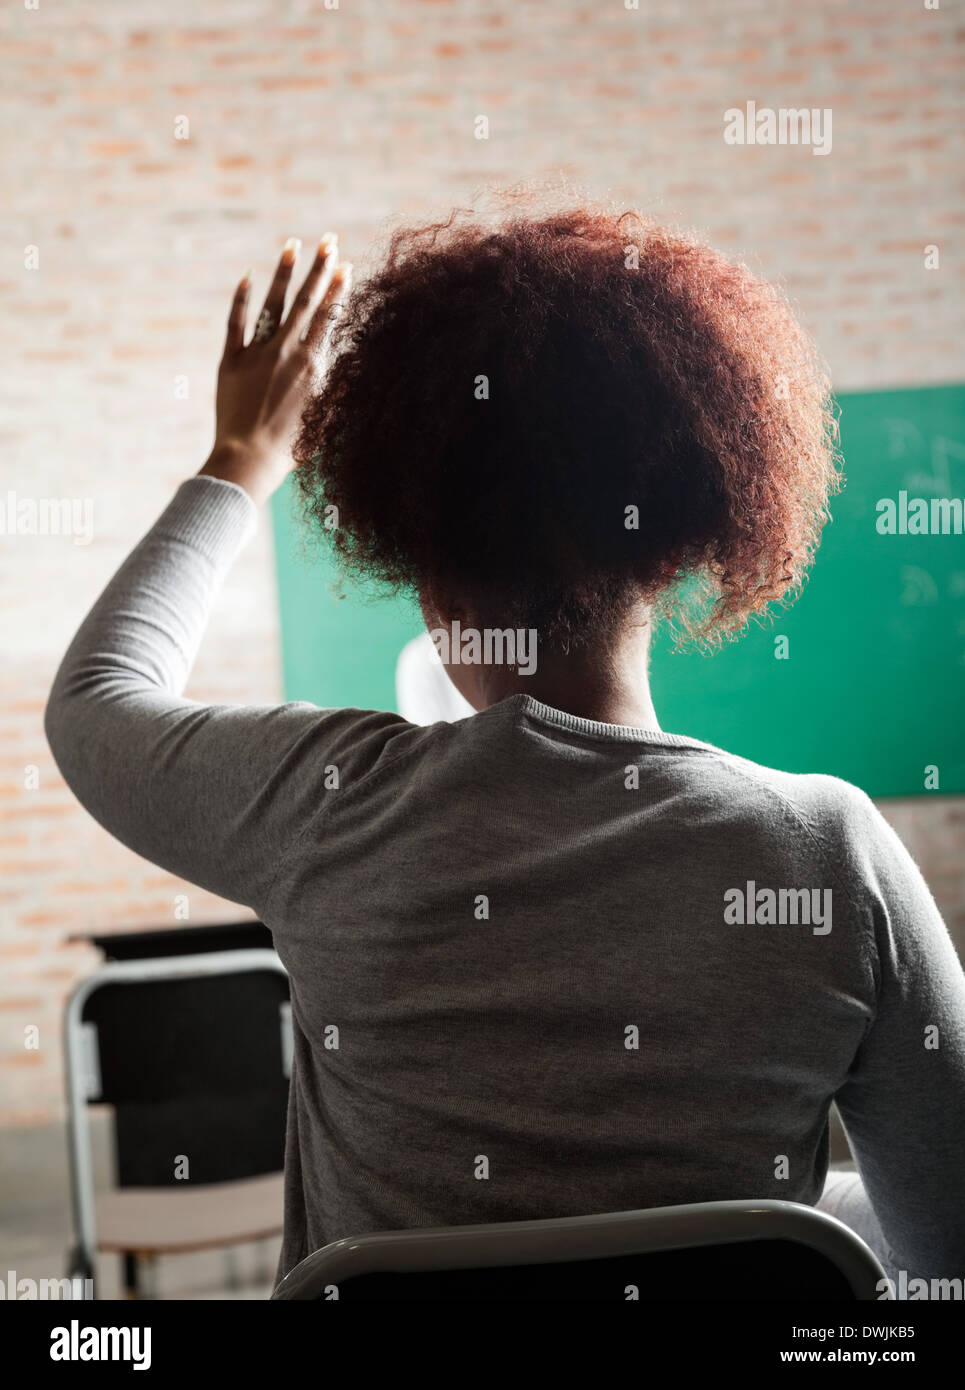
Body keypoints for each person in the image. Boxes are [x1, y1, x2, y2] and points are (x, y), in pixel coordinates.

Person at [45, 204, 965, 1292]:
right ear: (671, 550)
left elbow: (96, 700)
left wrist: (240, 458)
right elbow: (948, 1244)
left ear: (423, 575)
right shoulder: (829, 854)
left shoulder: (326, 808)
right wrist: (803, 1221)